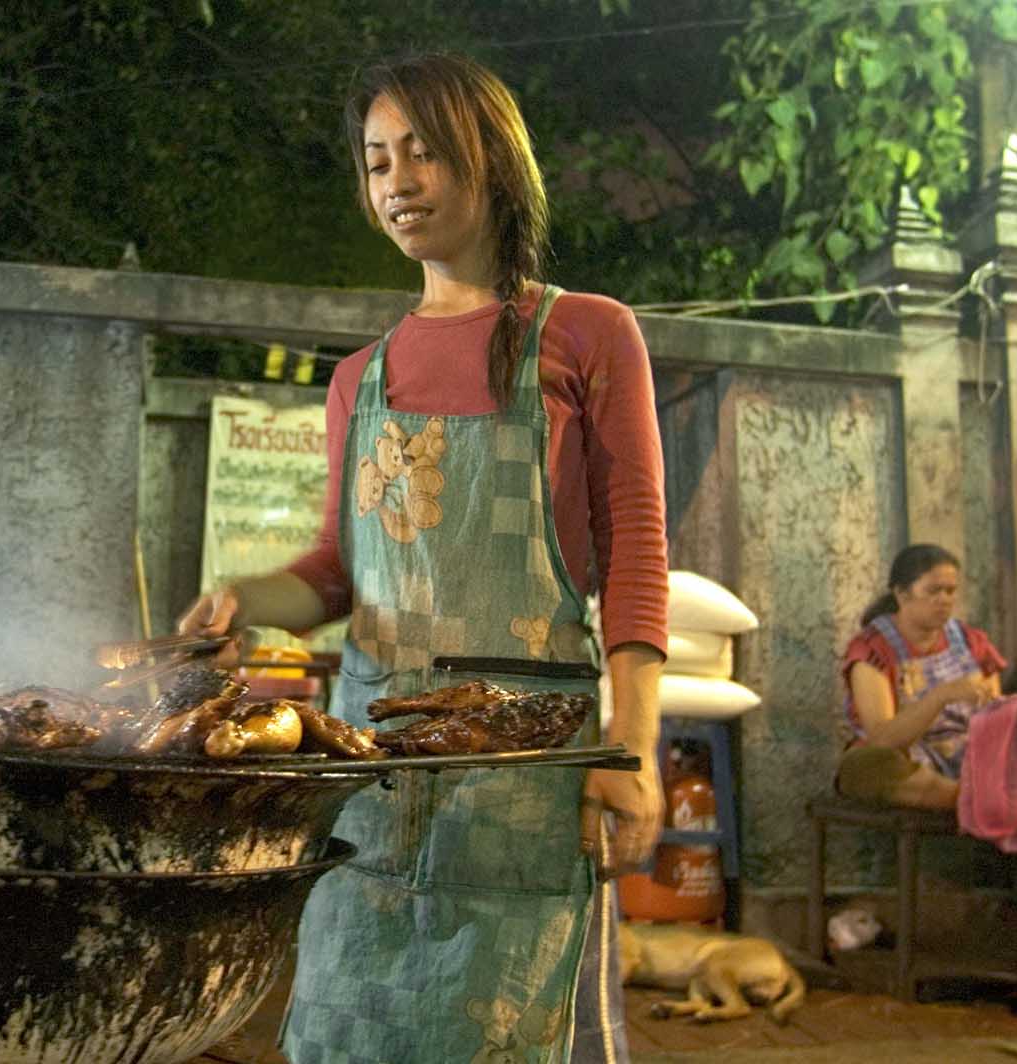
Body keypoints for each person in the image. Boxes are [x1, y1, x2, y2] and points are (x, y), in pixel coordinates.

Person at [178, 52, 668, 1063]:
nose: (396, 180)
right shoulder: (360, 378)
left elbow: (633, 555)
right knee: (358, 1022)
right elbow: (334, 571)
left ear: (492, 160)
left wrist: (632, 750)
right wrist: (243, 594)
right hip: (375, 767)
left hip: (530, 770)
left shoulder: (584, 334)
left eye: (424, 153)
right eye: (375, 160)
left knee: (513, 1029)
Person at [838, 543, 1017, 1019]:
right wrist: (941, 696)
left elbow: (997, 717)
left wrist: (1004, 736)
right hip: (907, 763)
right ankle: (1007, 810)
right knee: (866, 767)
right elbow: (884, 737)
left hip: (977, 764)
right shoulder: (873, 649)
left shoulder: (970, 641)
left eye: (951, 591)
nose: (944, 601)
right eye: (932, 591)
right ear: (901, 594)